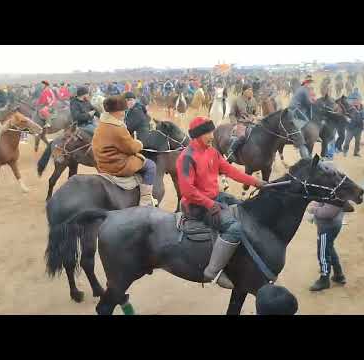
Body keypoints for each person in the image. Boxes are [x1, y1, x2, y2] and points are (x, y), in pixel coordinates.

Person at [176, 116, 266, 289]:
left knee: (243, 207)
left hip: (214, 196)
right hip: (196, 205)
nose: (212, 136)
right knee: (234, 228)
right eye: (208, 133)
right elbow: (187, 191)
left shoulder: (212, 152)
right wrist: (210, 204)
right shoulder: (186, 157)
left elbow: (230, 170)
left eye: (212, 131)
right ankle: (213, 270)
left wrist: (257, 182)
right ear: (197, 136)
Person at [92, 96, 156, 207]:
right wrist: (139, 144)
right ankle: (146, 201)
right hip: (117, 165)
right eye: (122, 110)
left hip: (103, 163)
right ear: (116, 111)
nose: (124, 113)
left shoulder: (101, 124)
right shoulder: (117, 127)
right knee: (151, 166)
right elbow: (131, 148)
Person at [307, 200, 346, 291]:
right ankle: (338, 274)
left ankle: (324, 279)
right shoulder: (335, 189)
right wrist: (316, 204)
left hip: (327, 228)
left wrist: (313, 209)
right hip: (330, 225)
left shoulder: (337, 194)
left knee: (323, 254)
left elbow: (328, 213)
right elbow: (321, 201)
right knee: (329, 248)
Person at [226, 84, 259, 163]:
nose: (250, 91)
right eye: (248, 90)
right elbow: (232, 114)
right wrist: (235, 124)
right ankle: (230, 151)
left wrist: (256, 116)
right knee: (242, 137)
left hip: (251, 122)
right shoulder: (237, 100)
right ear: (243, 91)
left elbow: (256, 113)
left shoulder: (254, 100)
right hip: (240, 123)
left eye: (251, 90)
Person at [289, 75, 315, 159]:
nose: (311, 84)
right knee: (306, 124)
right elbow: (309, 103)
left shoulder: (302, 89)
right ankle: (300, 142)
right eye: (310, 82)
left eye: (311, 82)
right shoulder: (304, 90)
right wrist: (314, 102)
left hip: (295, 109)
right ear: (306, 83)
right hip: (295, 110)